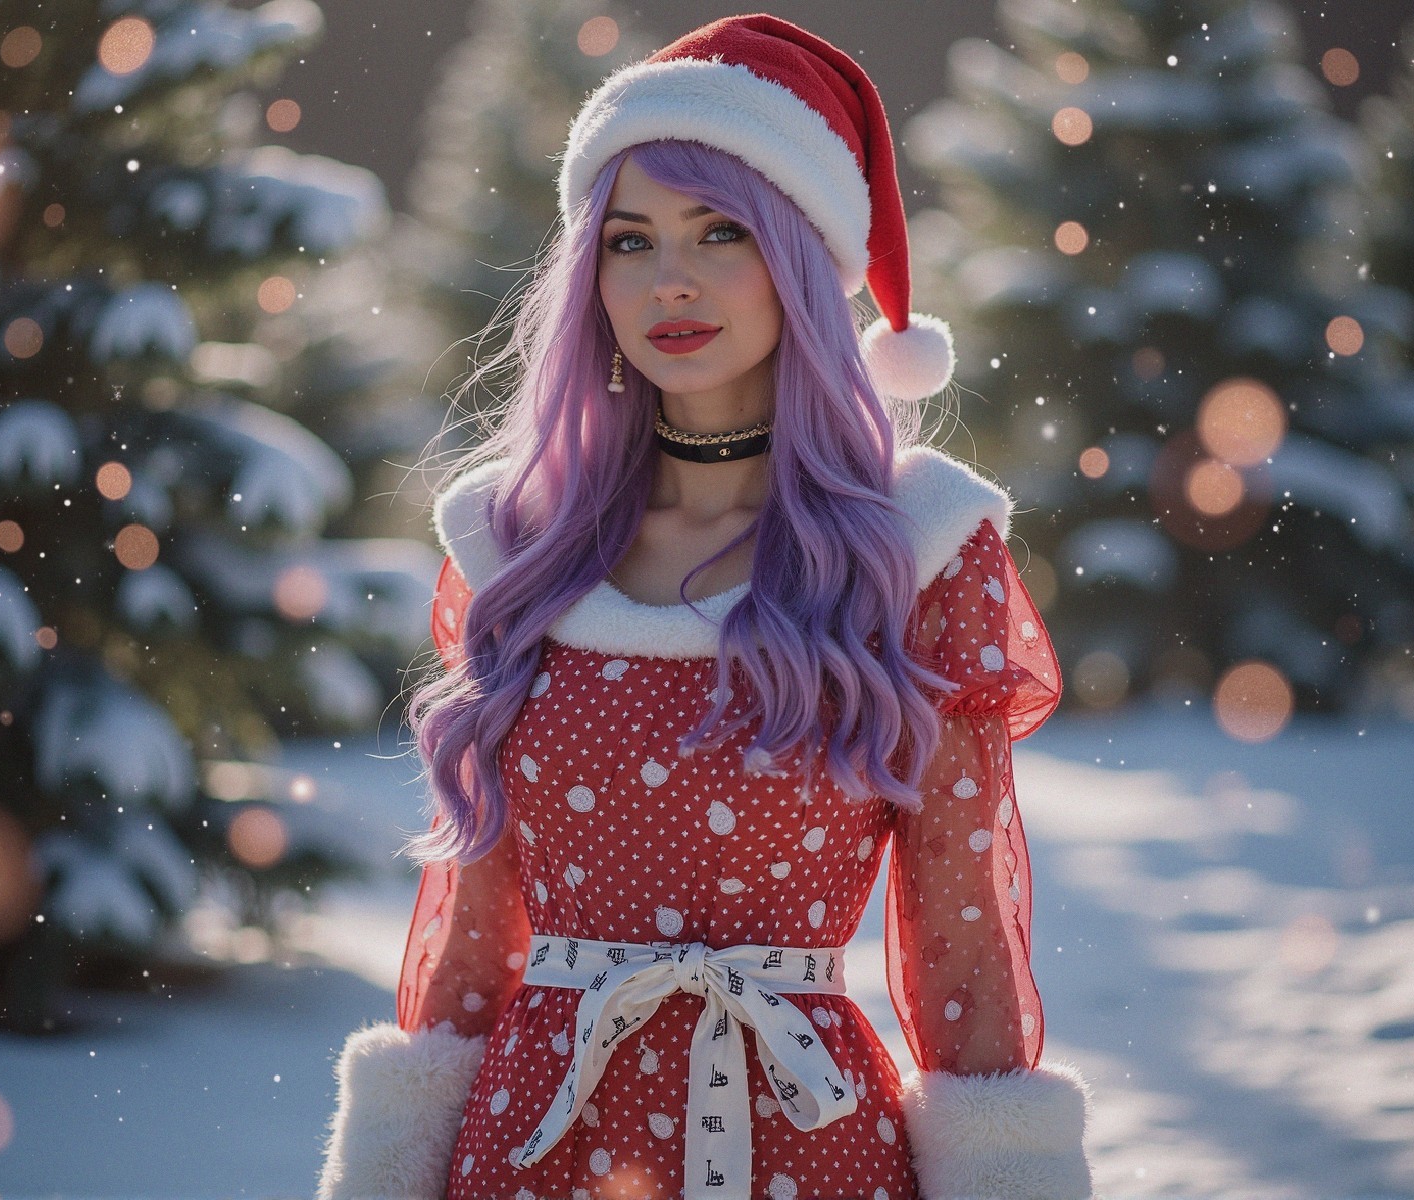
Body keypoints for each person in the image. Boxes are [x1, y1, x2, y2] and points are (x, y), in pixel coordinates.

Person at [317, 14, 1092, 1200]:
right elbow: (468, 944)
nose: (668, 278)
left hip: (804, 1141)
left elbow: (964, 946)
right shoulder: (518, 551)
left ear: (802, 261)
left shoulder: (916, 555)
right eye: (629, 240)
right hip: (534, 1146)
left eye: (719, 231)